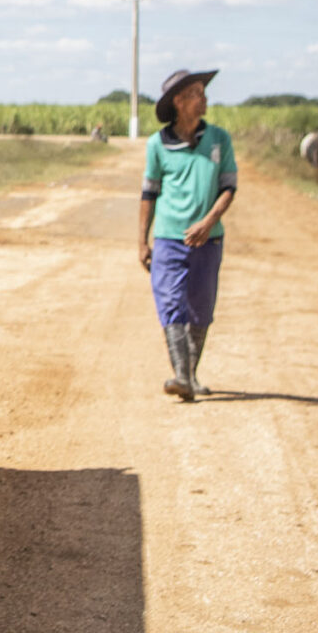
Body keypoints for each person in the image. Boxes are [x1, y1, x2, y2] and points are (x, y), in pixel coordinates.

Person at [138, 67, 238, 403]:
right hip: (168, 238)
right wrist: (142, 241)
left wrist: (209, 221)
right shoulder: (157, 144)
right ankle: (181, 375)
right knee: (170, 303)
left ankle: (190, 376)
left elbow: (228, 188)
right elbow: (149, 194)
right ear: (178, 102)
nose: (204, 98)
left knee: (200, 308)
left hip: (209, 240)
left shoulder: (219, 140)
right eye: (196, 93)